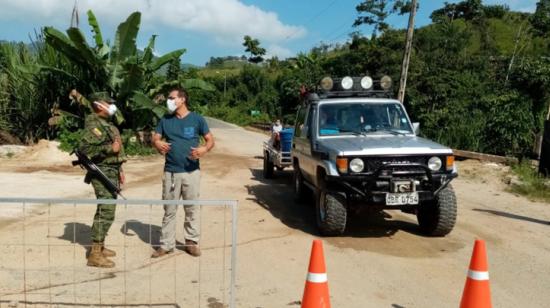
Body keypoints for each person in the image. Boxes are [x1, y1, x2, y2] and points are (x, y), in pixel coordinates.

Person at [151, 87, 215, 258]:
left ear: (182, 99)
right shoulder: (165, 119)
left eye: (171, 98)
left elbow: (210, 140)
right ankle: (166, 245)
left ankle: (191, 242)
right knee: (169, 209)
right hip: (171, 172)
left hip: (191, 172)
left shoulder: (197, 119)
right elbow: (155, 137)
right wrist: (157, 143)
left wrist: (204, 149)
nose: (168, 101)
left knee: (191, 208)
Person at [75, 90, 126, 268]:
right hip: (102, 171)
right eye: (108, 103)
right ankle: (95, 255)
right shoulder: (94, 125)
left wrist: (120, 168)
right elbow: (84, 149)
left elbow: (116, 150)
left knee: (106, 209)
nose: (112, 106)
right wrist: (108, 149)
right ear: (98, 105)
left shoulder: (105, 123)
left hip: (111, 170)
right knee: (106, 211)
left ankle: (100, 246)